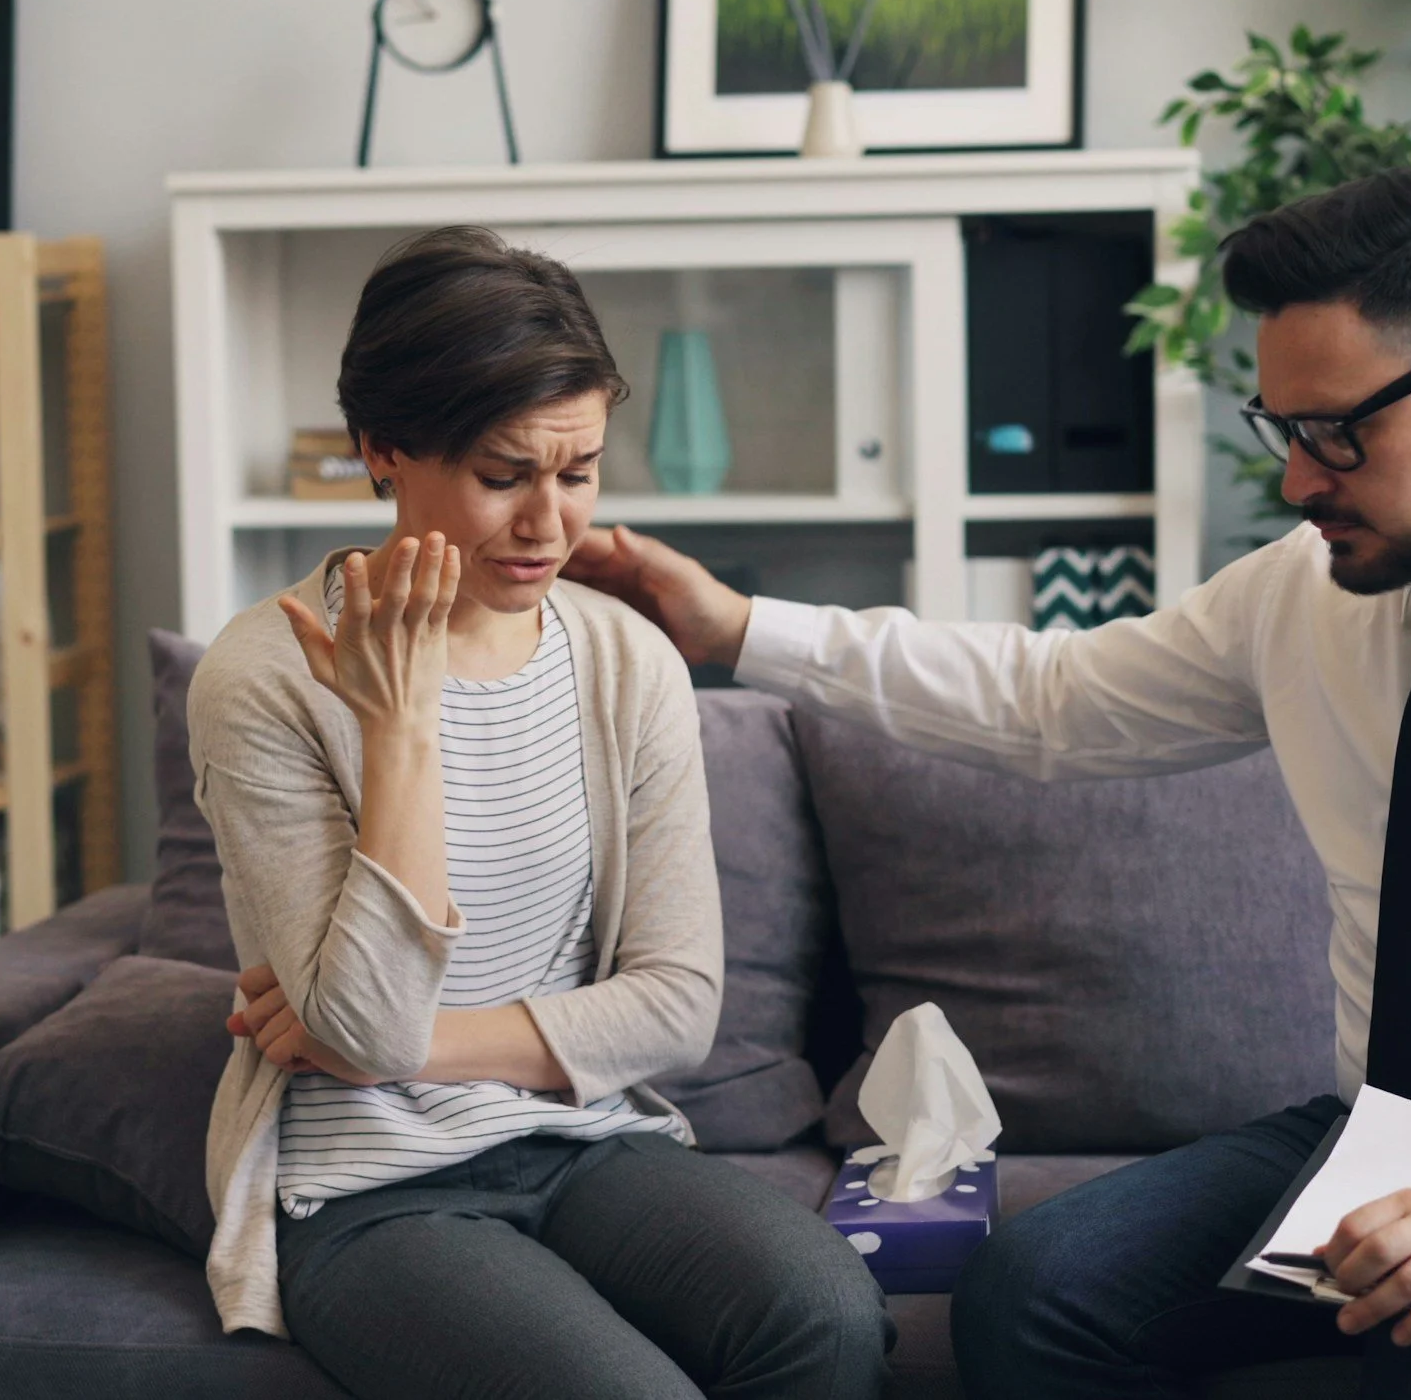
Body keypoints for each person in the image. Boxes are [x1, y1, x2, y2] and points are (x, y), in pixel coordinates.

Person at [563, 164, 1411, 1398]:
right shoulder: (1305, 600)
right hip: (1384, 1139)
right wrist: (735, 629)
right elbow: (1051, 702)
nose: (1296, 480)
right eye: (1283, 426)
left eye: (1337, 433)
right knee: (1031, 1294)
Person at [188, 226, 893, 1400]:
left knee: (824, 1314)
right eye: (504, 475)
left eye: (578, 473)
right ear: (382, 449)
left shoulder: (625, 660)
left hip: (585, 1141)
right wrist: (401, 726)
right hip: (369, 1188)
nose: (548, 524)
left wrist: (416, 1047)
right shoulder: (263, 675)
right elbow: (357, 1025)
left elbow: (677, 1005)